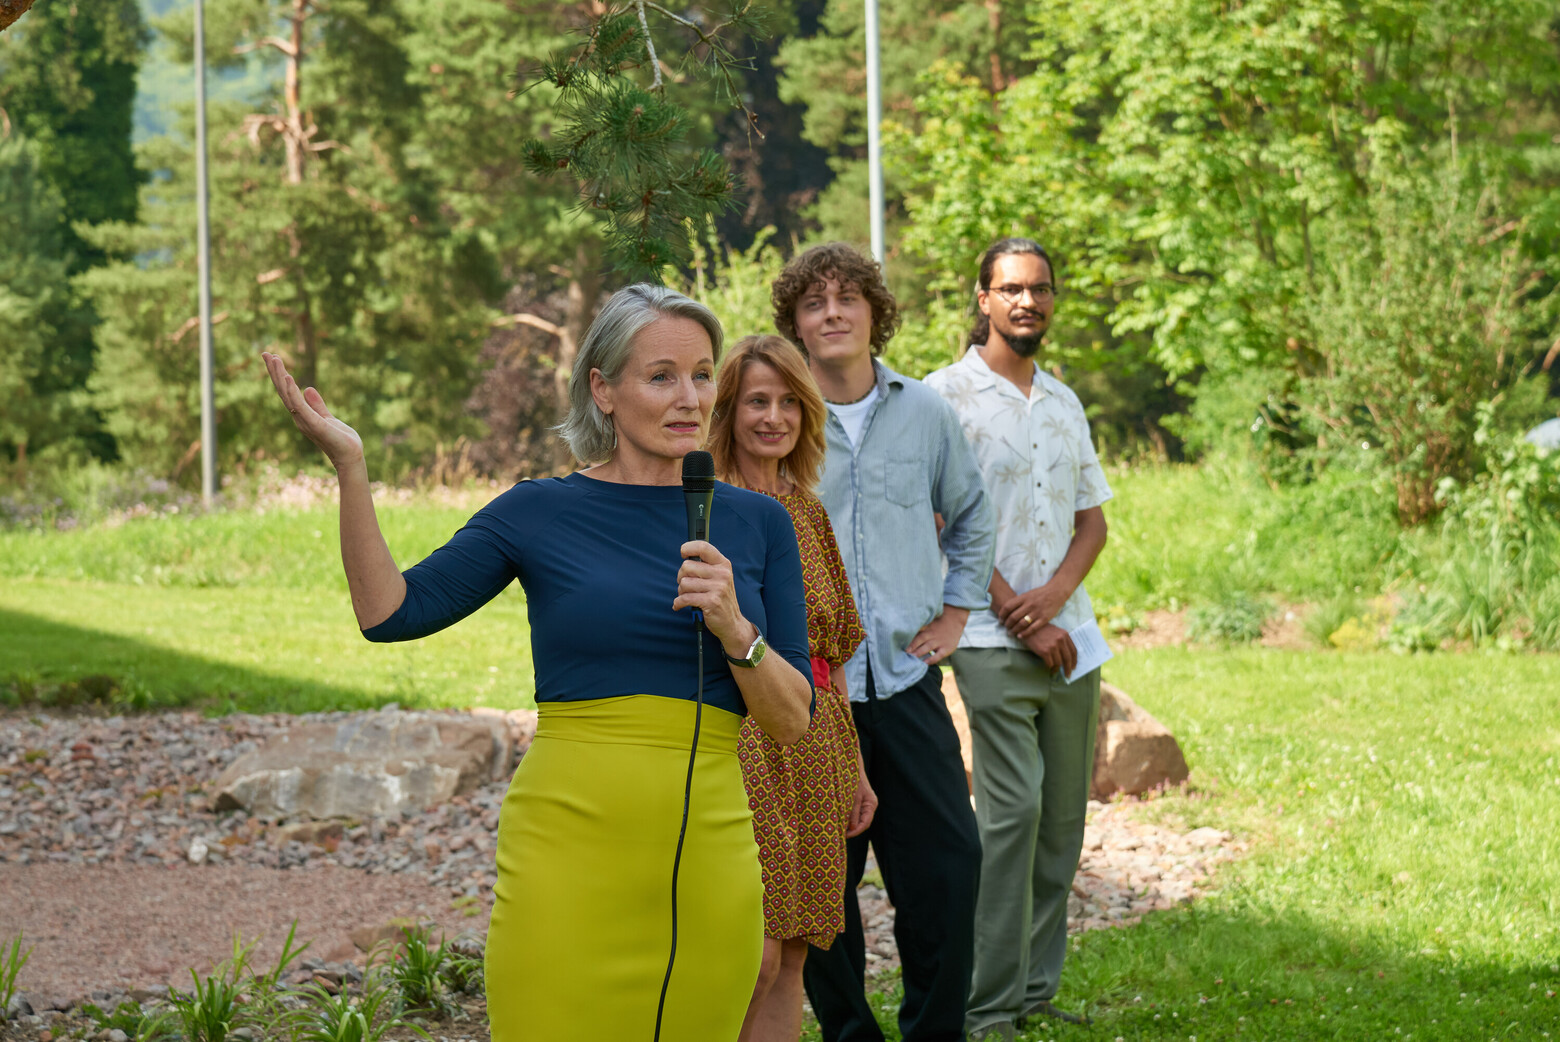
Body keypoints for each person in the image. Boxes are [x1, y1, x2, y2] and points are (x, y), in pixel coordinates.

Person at [260, 284, 816, 1040]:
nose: (689, 397)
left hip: (706, 858)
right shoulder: (539, 511)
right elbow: (388, 614)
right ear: (603, 389)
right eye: (660, 376)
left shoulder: (759, 522)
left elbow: (791, 721)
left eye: (701, 373)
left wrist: (736, 629)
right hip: (566, 852)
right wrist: (351, 469)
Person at [772, 242, 996, 1042]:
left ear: (874, 313)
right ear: (795, 324)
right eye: (813, 303)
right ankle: (848, 1036)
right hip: (811, 697)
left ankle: (934, 1033)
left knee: (948, 868)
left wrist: (957, 612)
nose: (831, 313)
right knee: (824, 888)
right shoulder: (781, 417)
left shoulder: (926, 411)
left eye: (847, 298)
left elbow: (970, 515)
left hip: (906, 683)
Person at [924, 238, 1111, 1040]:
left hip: (1073, 641)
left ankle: (1034, 991)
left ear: (1051, 299)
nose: (1025, 301)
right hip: (991, 642)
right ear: (982, 298)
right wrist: (1020, 614)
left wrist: (1057, 600)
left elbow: (1092, 521)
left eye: (1038, 289)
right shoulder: (942, 399)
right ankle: (987, 1006)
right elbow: (942, 522)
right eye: (1010, 289)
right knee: (1012, 818)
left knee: (1063, 824)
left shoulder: (1064, 401)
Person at [707, 334, 879, 1042]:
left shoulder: (807, 513)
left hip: (816, 745)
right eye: (756, 402)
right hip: (742, 740)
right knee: (755, 953)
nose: (772, 417)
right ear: (729, 412)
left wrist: (856, 768)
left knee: (797, 954)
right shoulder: (706, 509)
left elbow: (833, 656)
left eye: (787, 403)